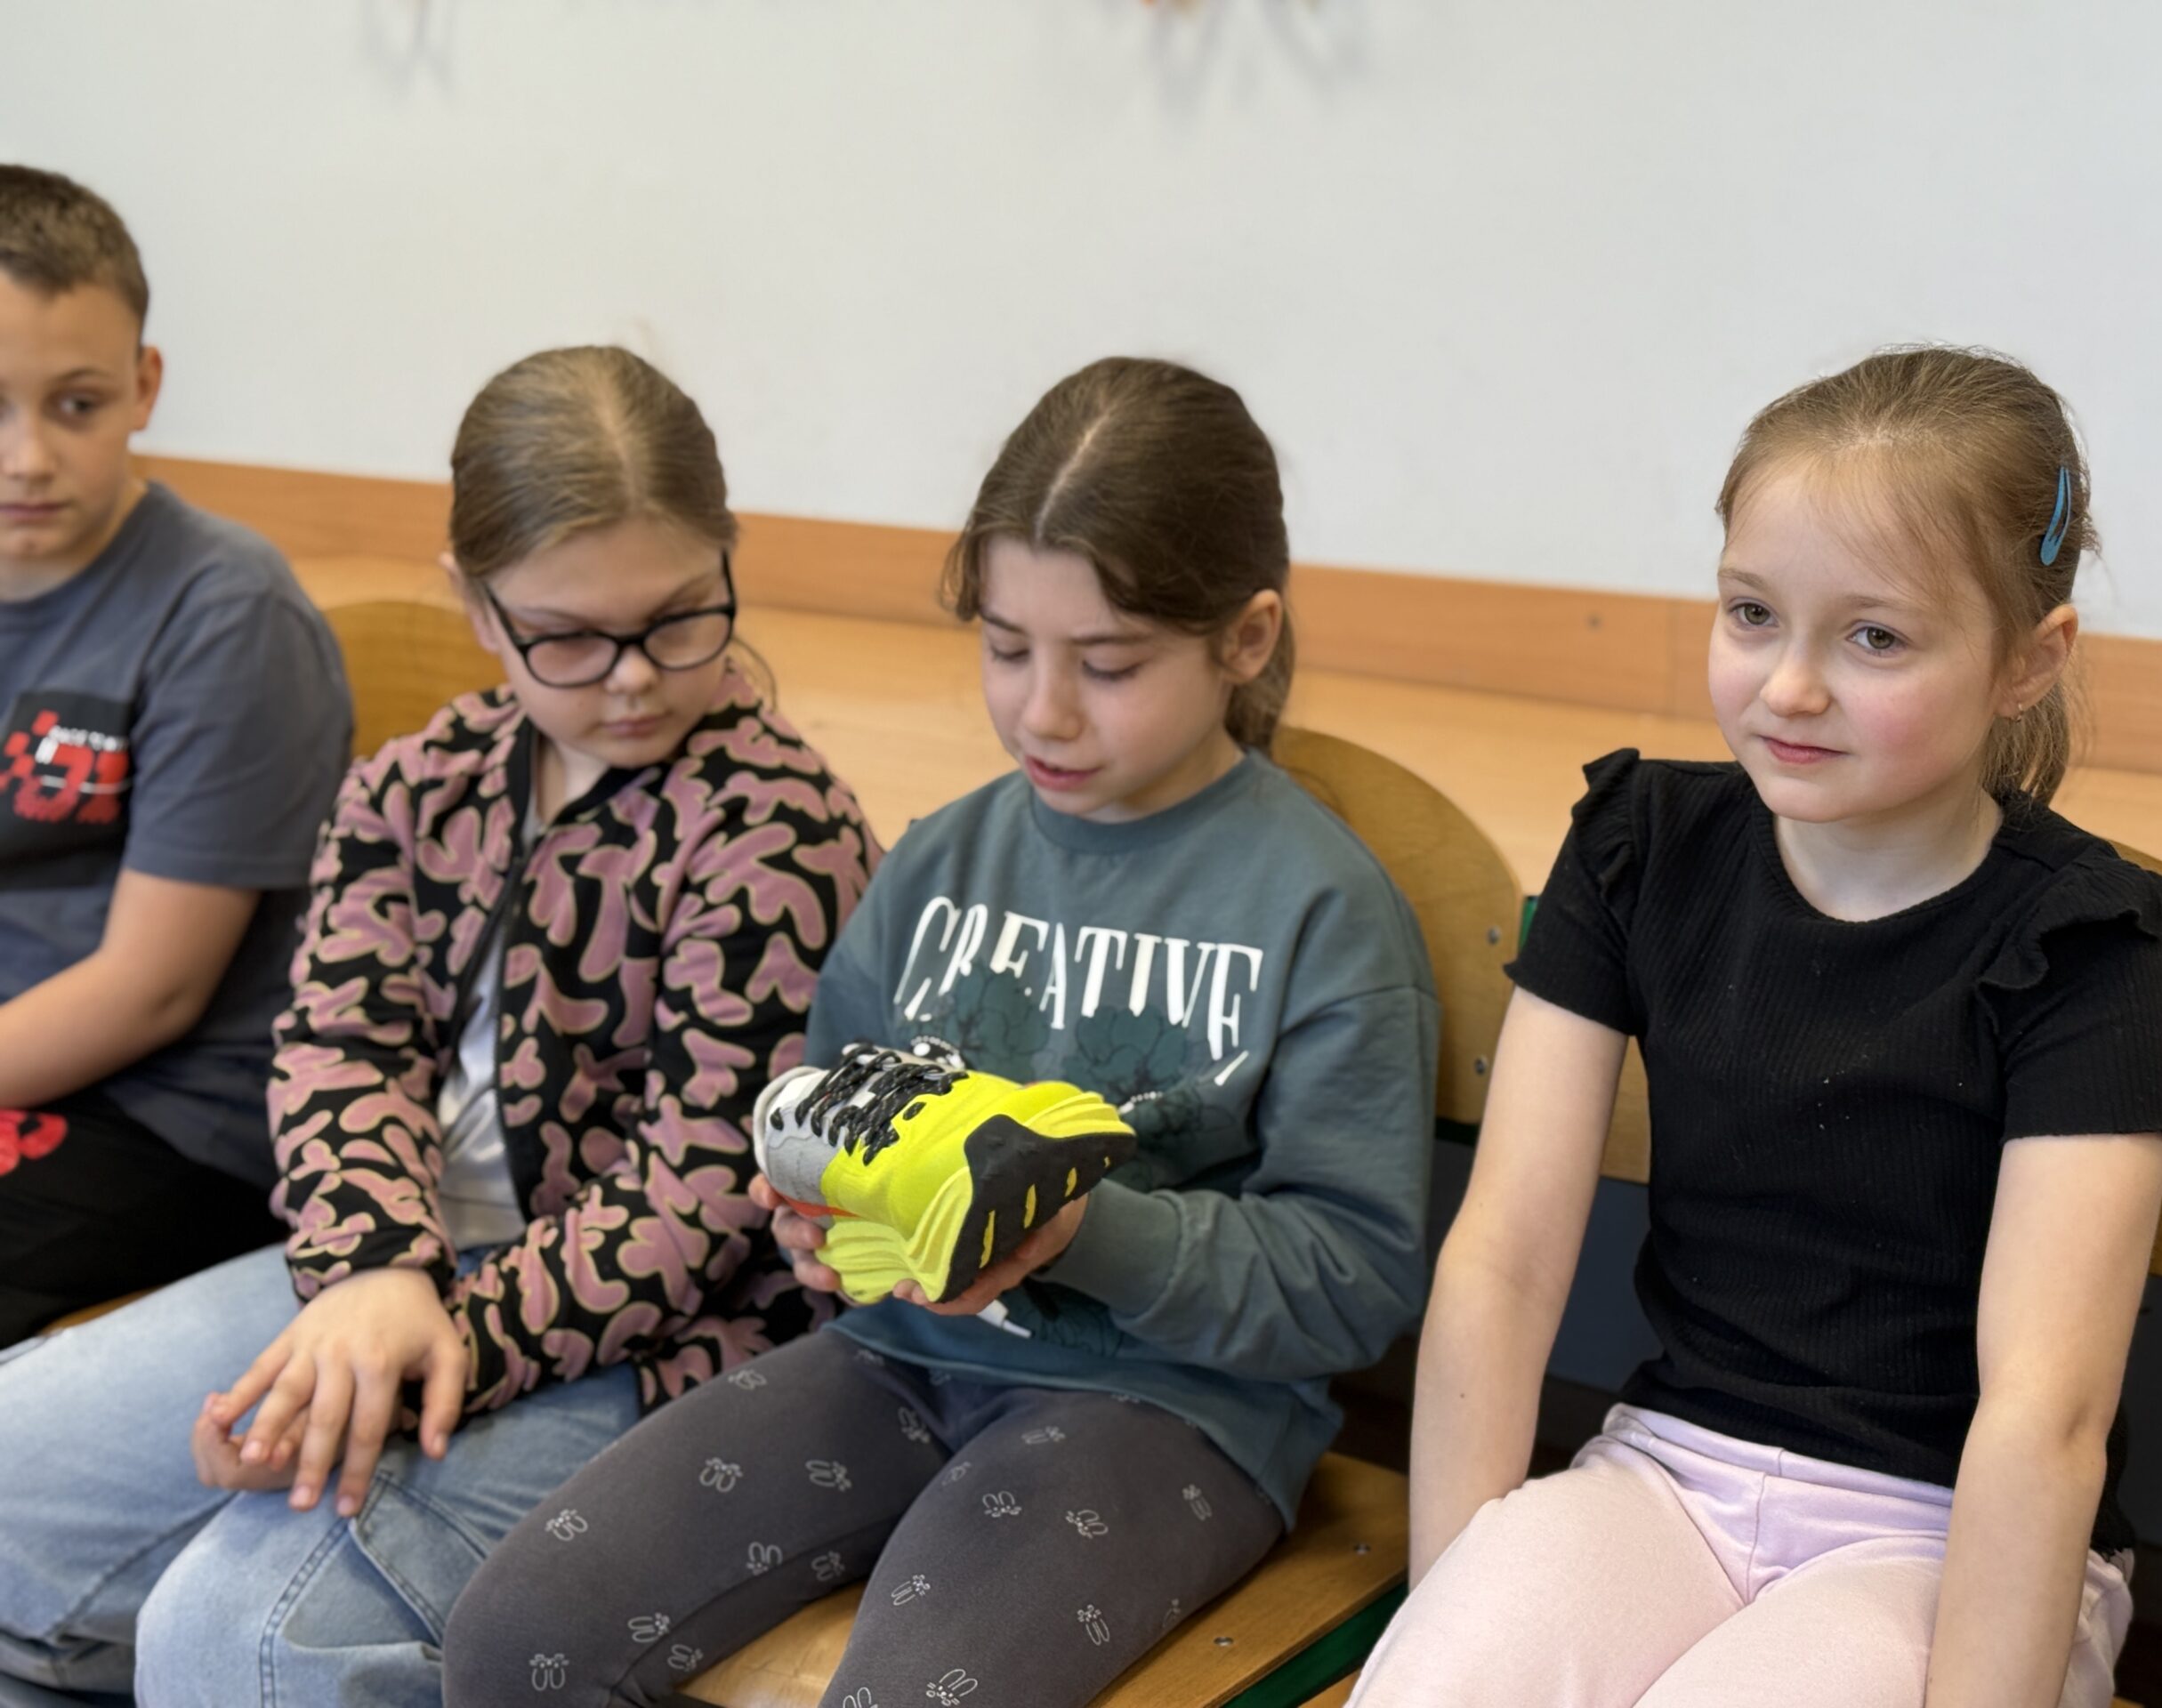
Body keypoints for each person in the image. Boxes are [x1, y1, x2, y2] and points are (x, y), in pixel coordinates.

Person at [443, 356, 1440, 1708]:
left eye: (1109, 664)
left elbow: (1352, 1286)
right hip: (898, 1356)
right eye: (1007, 648)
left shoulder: (1320, 908)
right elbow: (828, 1105)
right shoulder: (940, 863)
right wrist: (817, 1219)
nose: (1044, 710)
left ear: (1246, 639)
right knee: (514, 1636)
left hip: (1172, 1409)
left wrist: (1081, 1232)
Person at [0, 344, 873, 1706]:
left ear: (728, 560)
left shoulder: (779, 826)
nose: (633, 680)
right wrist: (368, 1275)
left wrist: (409, 1358)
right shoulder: (414, 786)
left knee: (240, 1635)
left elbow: (702, 1195)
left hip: (664, 1335)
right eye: (567, 636)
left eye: (680, 619)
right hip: (389, 1271)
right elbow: (339, 1050)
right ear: (474, 601)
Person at [1353, 346, 2162, 1707]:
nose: (1790, 686)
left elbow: (2046, 1418)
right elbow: (1503, 1261)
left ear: (2029, 662)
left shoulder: (2084, 941)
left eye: (1875, 638)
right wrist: (1454, 1613)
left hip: (1949, 1531)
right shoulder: (1637, 847)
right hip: (1667, 1475)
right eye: (1752, 612)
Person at [0, 164, 350, 1342]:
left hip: (172, 1112)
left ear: (145, 387)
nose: (28, 458)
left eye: (76, 404)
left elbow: (152, 991)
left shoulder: (227, 609)